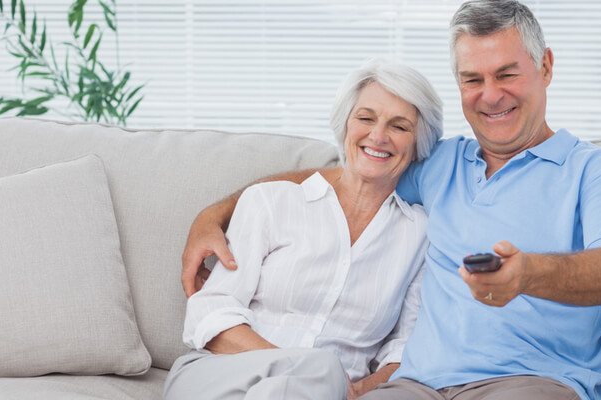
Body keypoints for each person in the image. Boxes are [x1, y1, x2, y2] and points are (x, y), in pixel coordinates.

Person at [181, 1, 601, 399]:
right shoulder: (440, 163)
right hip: (415, 386)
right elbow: (352, 171)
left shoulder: (594, 169)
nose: (490, 95)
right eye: (472, 79)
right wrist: (217, 213)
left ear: (544, 67)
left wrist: (529, 275)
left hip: (528, 381)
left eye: (506, 74)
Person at [163, 58, 443, 400]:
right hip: (221, 374)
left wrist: (361, 389)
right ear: (344, 126)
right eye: (366, 118)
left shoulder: (419, 235)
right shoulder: (272, 201)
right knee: (321, 368)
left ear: (419, 143)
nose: (378, 136)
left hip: (328, 392)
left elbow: (406, 346)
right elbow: (212, 315)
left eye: (399, 126)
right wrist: (305, 368)